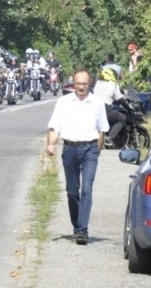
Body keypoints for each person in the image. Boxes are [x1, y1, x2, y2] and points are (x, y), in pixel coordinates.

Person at [44, 70, 109, 246]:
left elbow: (102, 129)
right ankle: (76, 225)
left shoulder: (97, 103)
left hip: (90, 149)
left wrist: (97, 150)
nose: (81, 87)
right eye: (78, 84)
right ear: (74, 84)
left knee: (87, 189)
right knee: (72, 192)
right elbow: (54, 126)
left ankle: (82, 230)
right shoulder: (64, 102)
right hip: (70, 148)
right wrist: (51, 144)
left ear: (90, 84)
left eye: (84, 84)